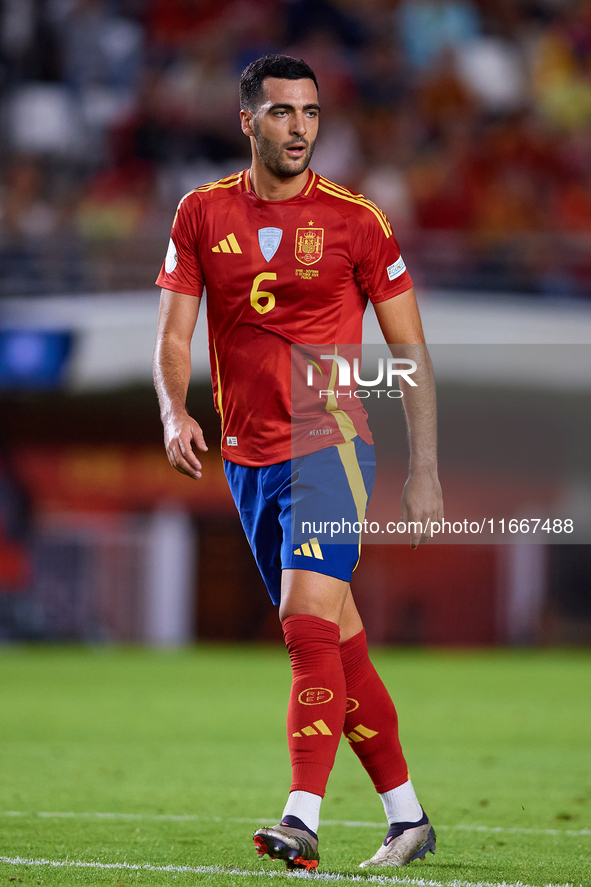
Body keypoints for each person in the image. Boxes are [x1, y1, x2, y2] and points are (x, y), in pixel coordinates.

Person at [153, 54, 443, 872]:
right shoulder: (200, 213)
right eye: (281, 113)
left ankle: (301, 817)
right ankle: (407, 817)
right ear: (247, 120)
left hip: (333, 443)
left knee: (304, 623)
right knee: (339, 644)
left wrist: (423, 467)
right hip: (247, 458)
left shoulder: (358, 220)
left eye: (310, 113)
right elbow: (174, 336)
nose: (299, 128)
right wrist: (175, 410)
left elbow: (409, 351)